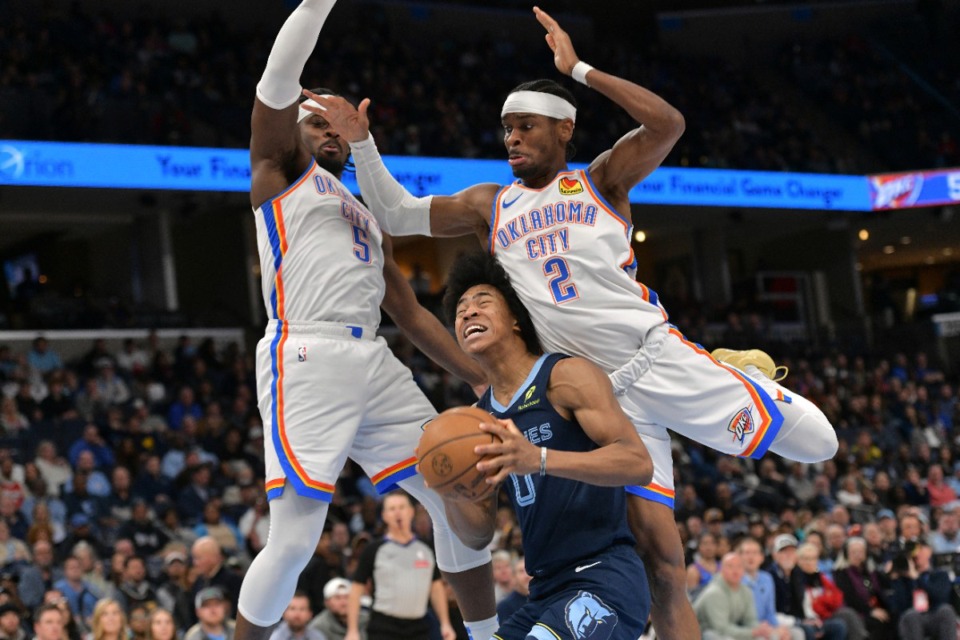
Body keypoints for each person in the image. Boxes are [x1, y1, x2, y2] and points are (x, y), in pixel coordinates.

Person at [305, 7, 838, 639]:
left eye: (526, 127)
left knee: (817, 444)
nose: (512, 139)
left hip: (657, 358)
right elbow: (393, 213)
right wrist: (362, 141)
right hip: (595, 394)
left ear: (564, 131)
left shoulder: (602, 180)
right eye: (506, 129)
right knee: (661, 562)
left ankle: (734, 373)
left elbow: (668, 123)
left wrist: (578, 68)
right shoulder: (488, 205)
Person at [241, 5, 498, 640]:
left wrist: (482, 380)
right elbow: (278, 79)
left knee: (455, 493)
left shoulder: (364, 212)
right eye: (316, 121)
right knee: (297, 535)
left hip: (373, 358)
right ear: (294, 132)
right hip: (307, 350)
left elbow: (408, 312)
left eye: (338, 124)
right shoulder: (278, 174)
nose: (329, 131)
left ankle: (491, 635)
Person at [438, 251, 654, 640]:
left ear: (516, 319)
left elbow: (638, 462)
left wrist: (537, 458)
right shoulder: (476, 421)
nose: (468, 313)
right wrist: (447, 488)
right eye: (460, 310)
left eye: (482, 302)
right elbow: (478, 535)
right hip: (542, 590)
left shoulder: (565, 376)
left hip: (604, 575)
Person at [346, 491, 453, 640]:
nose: (397, 512)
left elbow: (436, 587)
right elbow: (356, 589)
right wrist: (352, 630)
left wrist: (445, 623)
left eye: (402, 507)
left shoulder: (427, 548)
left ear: (411, 511)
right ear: (384, 516)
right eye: (392, 508)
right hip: (383, 627)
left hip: (419, 626)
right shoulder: (373, 549)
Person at [736, 537, 804, 640]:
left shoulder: (767, 578)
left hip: (766, 626)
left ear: (761, 557)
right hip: (745, 629)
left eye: (755, 553)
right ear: (739, 557)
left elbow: (770, 613)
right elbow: (738, 617)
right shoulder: (735, 580)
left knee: (796, 633)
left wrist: (779, 628)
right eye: (747, 553)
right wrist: (765, 630)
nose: (751, 557)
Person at [888, 540, 957, 640]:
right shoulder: (904, 579)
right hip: (914, 618)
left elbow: (940, 597)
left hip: (935, 615)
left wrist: (917, 578)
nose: (915, 554)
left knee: (946, 610)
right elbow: (900, 607)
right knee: (911, 615)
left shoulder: (940, 574)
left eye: (919, 550)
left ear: (928, 551)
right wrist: (897, 579)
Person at [494, 556, 531, 625]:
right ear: (514, 576)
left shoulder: (546, 598)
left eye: (528, 570)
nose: (526, 575)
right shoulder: (505, 606)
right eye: (521, 571)